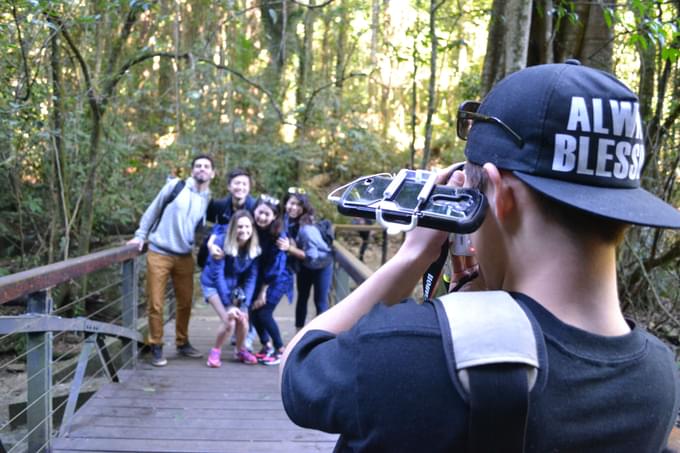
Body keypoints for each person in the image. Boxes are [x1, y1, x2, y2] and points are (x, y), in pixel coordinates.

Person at [280, 61, 680, 452]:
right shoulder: (658, 379)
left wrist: (411, 258)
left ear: (499, 193)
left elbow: (297, 369)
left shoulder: (409, 351)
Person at [127, 155, 215, 367]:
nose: (202, 169)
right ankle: (156, 345)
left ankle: (182, 342)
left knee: (185, 302)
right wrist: (140, 235)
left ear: (213, 173)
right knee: (156, 303)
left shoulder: (207, 197)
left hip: (184, 256)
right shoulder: (176, 186)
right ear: (192, 170)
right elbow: (154, 209)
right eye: (198, 166)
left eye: (206, 166)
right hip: (159, 252)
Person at [201, 210, 261, 366]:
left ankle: (241, 351)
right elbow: (217, 275)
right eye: (240, 227)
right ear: (233, 228)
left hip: (234, 286)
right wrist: (229, 305)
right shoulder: (221, 242)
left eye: (247, 227)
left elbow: (251, 277)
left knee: (243, 319)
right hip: (213, 284)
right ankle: (214, 354)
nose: (244, 230)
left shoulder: (254, 247)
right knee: (230, 321)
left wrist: (245, 304)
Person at [279, 189, 334, 330]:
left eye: (298, 205)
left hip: (322, 265)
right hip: (305, 265)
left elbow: (312, 256)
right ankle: (298, 333)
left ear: (304, 208)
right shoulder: (287, 220)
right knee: (302, 298)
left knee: (320, 301)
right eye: (291, 203)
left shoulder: (307, 228)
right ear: (286, 203)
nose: (294, 208)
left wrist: (289, 248)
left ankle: (323, 334)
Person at [250, 195, 294, 365]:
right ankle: (266, 345)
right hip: (260, 277)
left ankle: (280, 349)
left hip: (277, 279)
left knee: (264, 312)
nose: (262, 217)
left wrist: (263, 291)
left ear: (275, 217)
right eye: (260, 212)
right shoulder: (252, 228)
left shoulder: (279, 235)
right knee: (253, 312)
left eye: (267, 215)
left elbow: (277, 266)